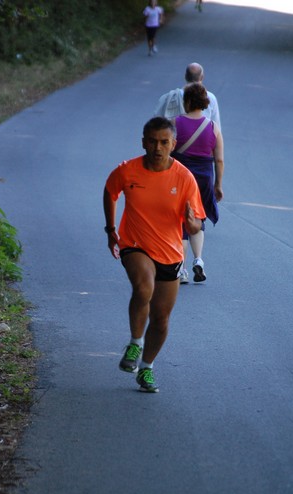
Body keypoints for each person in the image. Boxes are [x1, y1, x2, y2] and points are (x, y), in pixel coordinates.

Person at [103, 117, 206, 393]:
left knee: (161, 319)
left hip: (170, 254)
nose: (157, 147)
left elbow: (196, 224)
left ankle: (146, 368)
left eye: (164, 142)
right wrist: (111, 229)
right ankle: (135, 344)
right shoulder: (128, 171)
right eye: (152, 141)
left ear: (173, 144)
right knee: (143, 286)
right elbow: (110, 191)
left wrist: (192, 222)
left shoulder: (185, 178)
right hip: (134, 244)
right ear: (143, 142)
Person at [172, 83, 224, 284]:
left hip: (181, 178)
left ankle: (182, 269)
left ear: (187, 101)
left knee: (180, 222)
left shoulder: (174, 123)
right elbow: (219, 160)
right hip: (204, 179)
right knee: (198, 217)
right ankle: (199, 260)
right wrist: (218, 185)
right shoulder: (213, 127)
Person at [154, 62, 221, 128]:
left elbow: (155, 123)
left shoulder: (167, 98)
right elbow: (216, 126)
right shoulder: (210, 98)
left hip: (173, 138)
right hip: (201, 138)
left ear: (185, 76)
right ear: (202, 77)